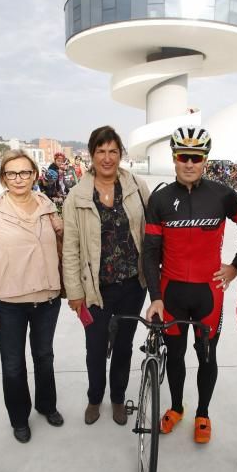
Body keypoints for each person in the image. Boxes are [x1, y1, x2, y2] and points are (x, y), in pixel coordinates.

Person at [144, 126, 237, 444]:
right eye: (182, 157)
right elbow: (151, 252)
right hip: (172, 294)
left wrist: (235, 268)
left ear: (205, 159)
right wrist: (155, 297)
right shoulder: (160, 199)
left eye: (196, 157)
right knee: (175, 356)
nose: (189, 163)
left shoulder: (222, 195)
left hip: (209, 294)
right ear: (174, 158)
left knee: (207, 357)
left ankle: (202, 413)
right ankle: (177, 407)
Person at [0, 150, 64, 444]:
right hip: (9, 303)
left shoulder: (48, 207)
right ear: (3, 178)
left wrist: (61, 230)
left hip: (46, 299)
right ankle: (19, 418)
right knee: (13, 364)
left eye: (25, 172)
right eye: (11, 173)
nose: (18, 179)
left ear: (34, 175)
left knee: (44, 357)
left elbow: (63, 245)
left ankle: (47, 405)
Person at [62, 125, 149, 426]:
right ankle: (94, 397)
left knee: (124, 345)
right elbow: (70, 249)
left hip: (133, 285)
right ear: (91, 154)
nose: (107, 158)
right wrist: (74, 292)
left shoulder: (137, 186)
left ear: (121, 154)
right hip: (95, 288)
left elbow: (153, 232)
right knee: (95, 347)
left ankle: (116, 399)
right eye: (101, 151)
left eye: (113, 151)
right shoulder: (76, 196)